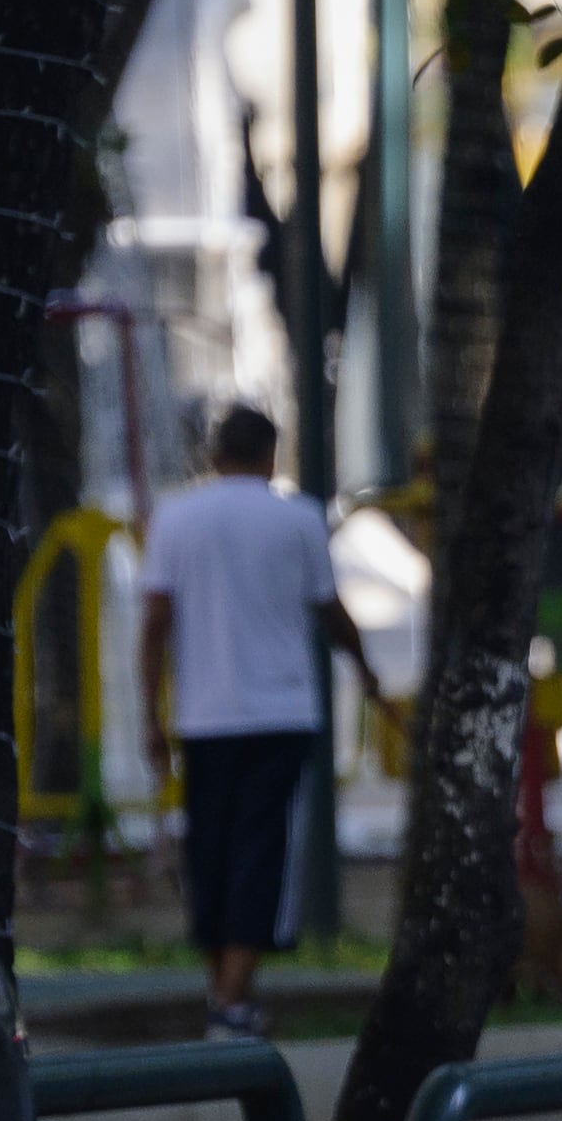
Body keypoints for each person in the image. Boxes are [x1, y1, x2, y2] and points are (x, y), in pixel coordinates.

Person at [138, 403, 393, 1039]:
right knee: (263, 856)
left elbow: (155, 625)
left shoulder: (176, 518)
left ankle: (227, 993)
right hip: (280, 712)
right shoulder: (298, 518)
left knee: (212, 853)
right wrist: (365, 670)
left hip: (204, 715)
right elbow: (331, 611)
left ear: (215, 453)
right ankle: (230, 1001)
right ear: (271, 454)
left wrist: (152, 714)